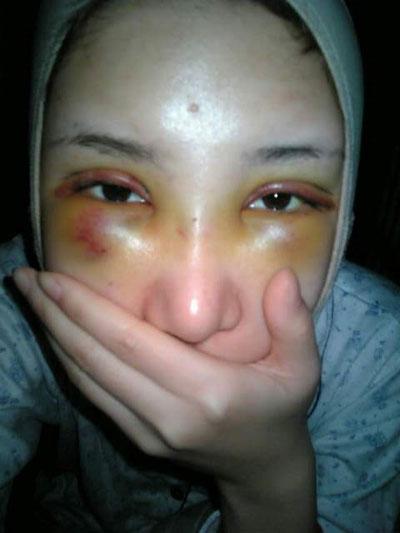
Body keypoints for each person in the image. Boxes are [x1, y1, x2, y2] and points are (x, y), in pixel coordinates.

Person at [1, 0, 399, 531]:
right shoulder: (15, 300)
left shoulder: (380, 358)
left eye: (277, 201)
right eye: (115, 192)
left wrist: (268, 483)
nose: (193, 315)